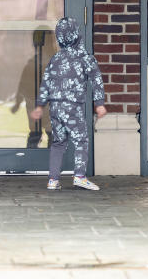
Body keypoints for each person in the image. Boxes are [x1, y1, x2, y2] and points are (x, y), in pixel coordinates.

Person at [30, 17, 106, 190]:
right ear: (77, 34)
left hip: (55, 108)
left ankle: (53, 180)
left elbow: (45, 83)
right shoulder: (86, 58)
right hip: (73, 108)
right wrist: (99, 103)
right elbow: (97, 81)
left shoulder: (55, 60)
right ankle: (79, 175)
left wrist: (40, 105)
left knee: (58, 142)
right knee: (81, 140)